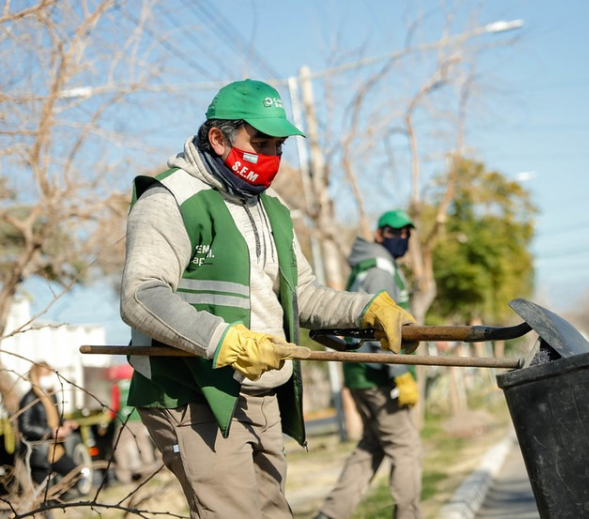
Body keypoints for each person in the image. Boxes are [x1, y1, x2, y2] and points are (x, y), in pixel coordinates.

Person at [119, 79, 417, 519]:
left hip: (262, 395)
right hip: (192, 394)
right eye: (260, 142)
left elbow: (305, 295)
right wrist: (225, 340)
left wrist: (366, 309)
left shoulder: (271, 205)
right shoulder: (169, 200)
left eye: (278, 145)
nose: (271, 157)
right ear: (218, 138)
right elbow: (140, 297)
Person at [316, 210, 423, 519]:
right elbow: (380, 331)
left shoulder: (371, 264)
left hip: (362, 371)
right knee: (406, 448)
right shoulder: (380, 269)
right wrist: (400, 373)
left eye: (406, 234)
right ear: (379, 234)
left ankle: (330, 514)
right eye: (394, 232)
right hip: (377, 373)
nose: (400, 239)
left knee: (371, 446)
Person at [18, 362, 84, 492]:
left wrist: (65, 422)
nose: (48, 378)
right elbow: (25, 427)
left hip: (56, 450)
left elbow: (54, 418)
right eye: (45, 375)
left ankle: (60, 497)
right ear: (36, 376)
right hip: (40, 452)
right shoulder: (29, 398)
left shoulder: (51, 395)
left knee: (75, 473)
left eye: (49, 374)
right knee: (43, 493)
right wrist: (50, 432)